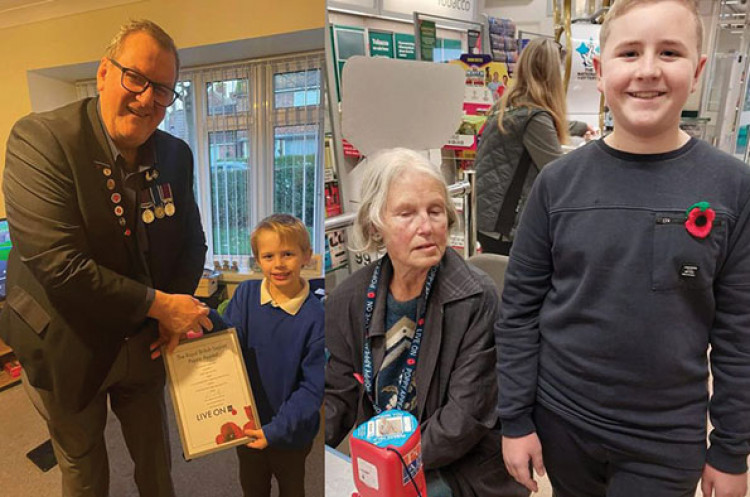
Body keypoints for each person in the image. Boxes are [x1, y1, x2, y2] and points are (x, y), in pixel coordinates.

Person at [496, 2, 750, 497]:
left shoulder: (732, 187)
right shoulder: (558, 184)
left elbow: (739, 332)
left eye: (670, 52)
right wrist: (514, 420)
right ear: (600, 68)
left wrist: (731, 448)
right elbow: (519, 311)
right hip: (561, 420)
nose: (648, 70)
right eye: (630, 52)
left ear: (697, 71)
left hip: (666, 436)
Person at [1, 20, 211, 497]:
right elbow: (59, 264)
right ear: (102, 74)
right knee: (84, 467)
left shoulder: (176, 155)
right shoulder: (41, 141)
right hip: (65, 341)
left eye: (163, 91)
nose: (147, 99)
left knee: (155, 459)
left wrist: (172, 311)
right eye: (136, 78)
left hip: (144, 341)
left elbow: (191, 242)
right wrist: (161, 306)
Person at [325, 148, 527, 497]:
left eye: (435, 211)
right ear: (377, 225)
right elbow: (336, 397)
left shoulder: (476, 298)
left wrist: (393, 470)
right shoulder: (350, 299)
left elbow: (464, 419)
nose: (426, 226)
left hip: (460, 464)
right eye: (406, 213)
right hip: (381, 456)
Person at [213, 214, 324, 497]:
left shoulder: (316, 317)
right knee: (252, 487)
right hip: (248, 424)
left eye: (288, 254)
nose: (278, 264)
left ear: (306, 256)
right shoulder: (247, 294)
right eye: (268, 256)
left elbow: (313, 388)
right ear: (257, 260)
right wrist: (204, 320)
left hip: (291, 432)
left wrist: (277, 430)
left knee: (291, 487)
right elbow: (228, 340)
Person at [474, 37, 591, 256]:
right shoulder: (533, 117)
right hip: (506, 225)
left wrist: (581, 127)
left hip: (487, 217)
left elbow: (548, 125)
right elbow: (560, 174)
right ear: (553, 75)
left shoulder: (509, 104)